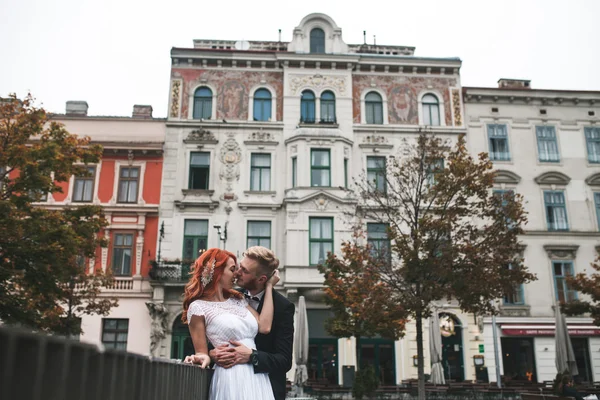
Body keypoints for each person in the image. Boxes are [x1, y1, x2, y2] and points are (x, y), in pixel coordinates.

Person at [182, 248, 280, 400]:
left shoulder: (238, 300)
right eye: (233, 269)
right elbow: (201, 351)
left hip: (256, 376)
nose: (237, 274)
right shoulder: (198, 307)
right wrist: (205, 357)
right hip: (230, 375)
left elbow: (264, 327)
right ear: (217, 273)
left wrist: (269, 286)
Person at [210, 246, 295, 400]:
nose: (237, 273)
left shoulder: (283, 307)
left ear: (261, 279)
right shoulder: (232, 297)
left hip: (265, 389)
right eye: (239, 267)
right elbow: (217, 336)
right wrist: (212, 354)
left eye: (244, 271)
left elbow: (284, 361)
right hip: (229, 386)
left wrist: (252, 356)